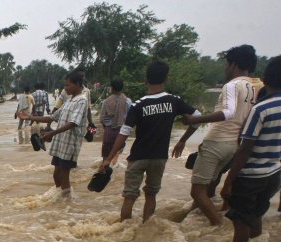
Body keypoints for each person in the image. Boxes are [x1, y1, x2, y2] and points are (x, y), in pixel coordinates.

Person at [99, 61, 200, 222]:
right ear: (166, 79)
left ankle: (123, 233)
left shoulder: (139, 105)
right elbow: (198, 118)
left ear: (146, 79)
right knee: (151, 195)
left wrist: (108, 159)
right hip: (159, 158)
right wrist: (182, 140)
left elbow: (124, 133)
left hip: (138, 157)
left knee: (129, 197)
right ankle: (146, 229)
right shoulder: (174, 101)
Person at [221, 53, 281, 242]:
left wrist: (229, 180)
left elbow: (245, 149)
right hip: (273, 174)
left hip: (250, 176)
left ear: (265, 78)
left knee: (240, 223)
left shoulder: (261, 109)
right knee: (255, 217)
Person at [179, 45, 258, 225]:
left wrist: (194, 121)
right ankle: (190, 223)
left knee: (197, 191)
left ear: (233, 65)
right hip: (233, 144)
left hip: (217, 141)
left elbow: (228, 112)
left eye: (226, 64)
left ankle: (217, 225)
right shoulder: (252, 86)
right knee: (205, 188)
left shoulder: (231, 85)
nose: (224, 68)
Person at [31, 70, 89, 198]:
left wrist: (52, 133)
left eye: (67, 85)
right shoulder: (69, 101)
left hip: (69, 145)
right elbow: (52, 117)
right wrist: (29, 117)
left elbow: (73, 123)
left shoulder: (81, 101)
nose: (65, 88)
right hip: (60, 143)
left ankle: (67, 203)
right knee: (56, 175)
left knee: (64, 175)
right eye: (65, 85)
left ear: (78, 84)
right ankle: (60, 201)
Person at [99, 78, 129, 162]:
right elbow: (130, 118)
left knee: (106, 155)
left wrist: (105, 128)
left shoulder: (106, 101)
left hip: (109, 130)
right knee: (118, 148)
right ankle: (115, 157)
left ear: (111, 88)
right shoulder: (127, 101)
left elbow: (102, 119)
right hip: (122, 131)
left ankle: (105, 169)